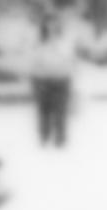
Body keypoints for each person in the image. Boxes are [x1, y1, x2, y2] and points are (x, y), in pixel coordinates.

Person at [27, 15, 78, 149]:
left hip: (61, 80)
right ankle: (44, 138)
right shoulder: (38, 43)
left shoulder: (66, 42)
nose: (51, 28)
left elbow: (70, 60)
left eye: (54, 25)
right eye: (48, 25)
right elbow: (33, 61)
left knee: (60, 112)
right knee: (43, 112)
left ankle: (60, 140)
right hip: (42, 80)